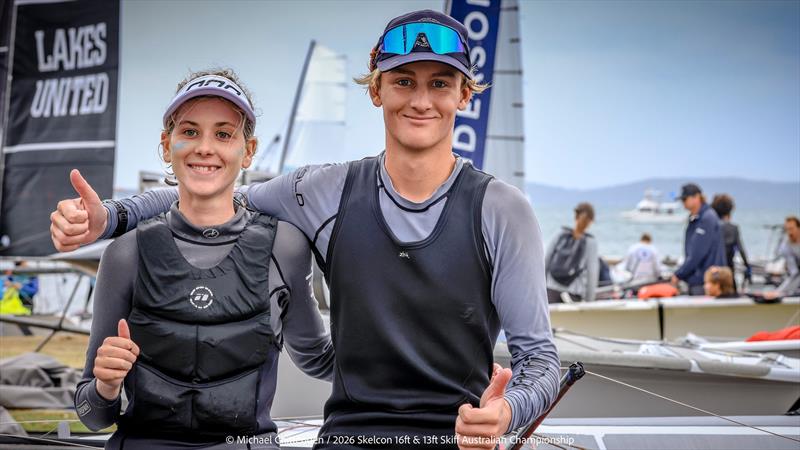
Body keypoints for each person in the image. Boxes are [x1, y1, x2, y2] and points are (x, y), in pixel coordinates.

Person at [50, 10, 560, 450]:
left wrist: (507, 413)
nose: (420, 100)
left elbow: (540, 361)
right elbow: (212, 195)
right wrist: (110, 218)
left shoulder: (502, 209)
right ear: (376, 89)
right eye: (403, 81)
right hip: (349, 437)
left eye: (439, 83)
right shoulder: (325, 191)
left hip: (455, 439)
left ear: (464, 95)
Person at [71, 69, 334, 450]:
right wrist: (105, 386)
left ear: (249, 149)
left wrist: (406, 349)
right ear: (167, 145)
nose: (205, 148)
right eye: (190, 132)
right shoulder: (126, 253)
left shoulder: (285, 246)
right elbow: (91, 416)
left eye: (223, 134)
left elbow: (319, 360)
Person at [671, 183, 726, 295]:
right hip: (699, 279)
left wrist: (679, 274)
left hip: (704, 281)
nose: (683, 203)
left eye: (685, 199)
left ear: (696, 197)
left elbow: (697, 253)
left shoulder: (706, 218)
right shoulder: (697, 218)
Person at [545, 202, 599, 303]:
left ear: (575, 215)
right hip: (573, 294)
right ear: (590, 221)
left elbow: (545, 261)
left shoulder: (560, 234)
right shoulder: (590, 242)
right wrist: (589, 302)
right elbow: (592, 275)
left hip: (551, 290)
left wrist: (541, 289)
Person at [711, 193, 752, 290]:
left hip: (713, 271)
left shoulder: (712, 227)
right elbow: (741, 250)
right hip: (728, 272)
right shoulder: (733, 228)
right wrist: (747, 267)